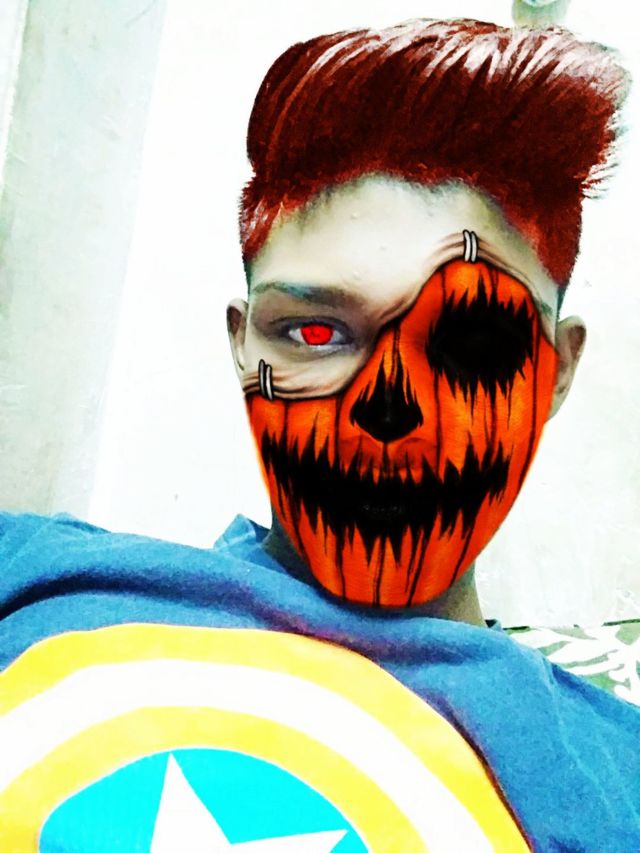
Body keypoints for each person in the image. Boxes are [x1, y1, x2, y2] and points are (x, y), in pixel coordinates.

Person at [1, 18, 638, 853]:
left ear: (555, 371)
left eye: (470, 345)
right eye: (313, 333)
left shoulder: (615, 772)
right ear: (243, 343)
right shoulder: (35, 570)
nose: (387, 408)